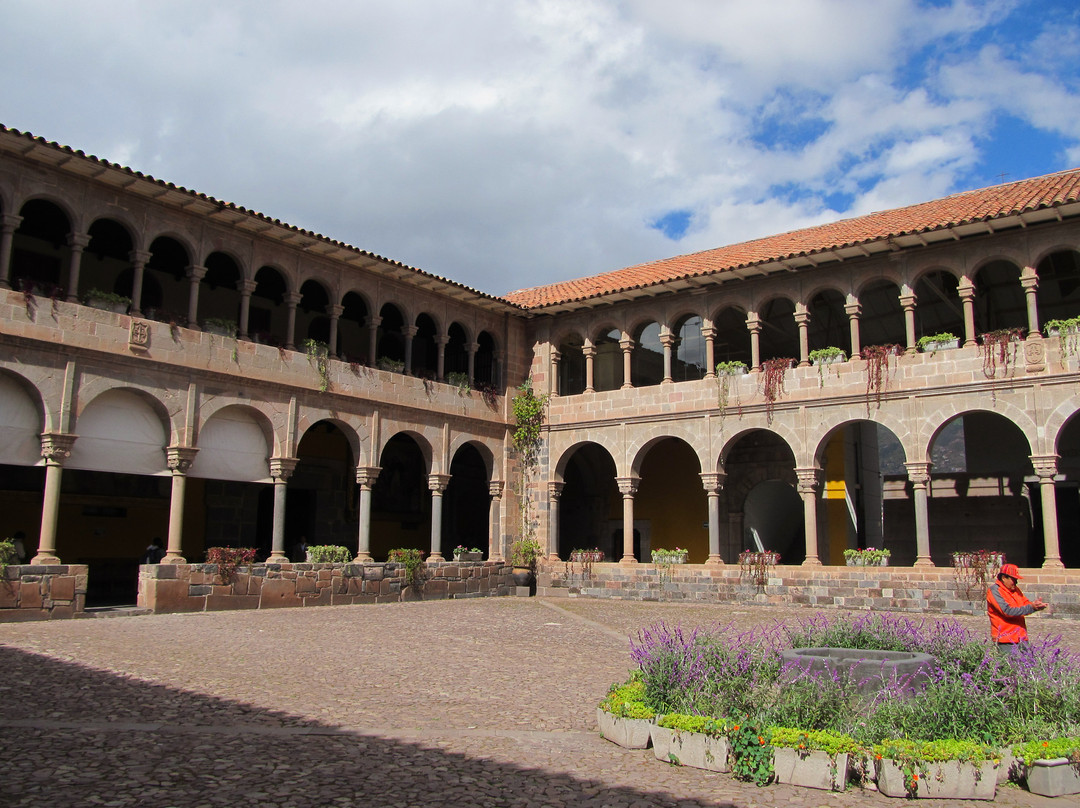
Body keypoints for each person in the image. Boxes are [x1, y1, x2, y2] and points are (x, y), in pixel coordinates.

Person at [987, 562, 1046, 650]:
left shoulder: (1015, 590)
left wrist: (1036, 606)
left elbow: (1025, 604)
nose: (1016, 582)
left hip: (1021, 638)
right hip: (1005, 640)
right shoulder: (994, 591)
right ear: (1004, 578)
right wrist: (1031, 607)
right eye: (1014, 579)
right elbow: (1007, 611)